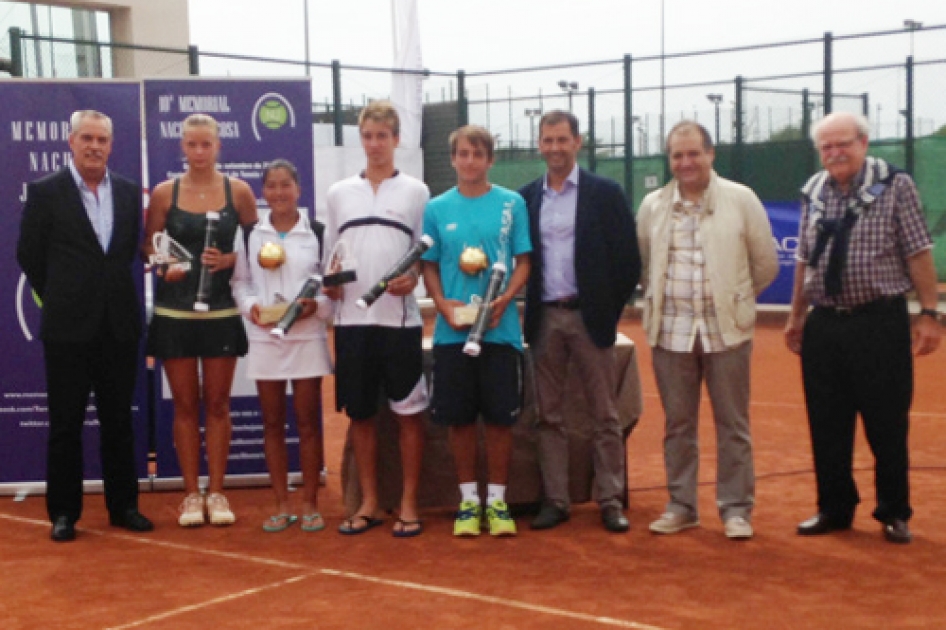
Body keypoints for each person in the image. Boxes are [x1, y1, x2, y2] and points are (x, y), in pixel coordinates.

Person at [785, 111, 941, 544]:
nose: (834, 153)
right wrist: (797, 317)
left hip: (879, 322)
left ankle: (894, 511)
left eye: (843, 144)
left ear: (864, 143)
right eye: (826, 147)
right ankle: (833, 508)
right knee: (827, 423)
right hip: (825, 325)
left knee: (886, 423)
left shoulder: (895, 185)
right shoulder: (813, 190)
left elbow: (918, 251)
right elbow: (804, 258)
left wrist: (930, 314)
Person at [17, 109, 153, 542]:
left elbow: (129, 253)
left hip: (119, 324)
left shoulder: (131, 194)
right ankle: (63, 513)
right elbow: (29, 255)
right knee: (65, 423)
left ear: (111, 146)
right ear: (70, 142)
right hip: (68, 327)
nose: (95, 146)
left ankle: (124, 506)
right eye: (87, 138)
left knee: (119, 421)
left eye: (102, 139)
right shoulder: (45, 192)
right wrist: (62, 294)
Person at [637, 120, 778, 540]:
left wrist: (734, 298)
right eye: (677, 155)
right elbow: (646, 264)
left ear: (710, 154)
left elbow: (765, 263)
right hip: (670, 333)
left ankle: (736, 509)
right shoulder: (651, 206)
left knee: (732, 424)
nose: (685, 163)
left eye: (693, 153)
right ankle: (682, 505)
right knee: (678, 426)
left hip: (727, 332)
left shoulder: (741, 199)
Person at [519, 110, 640, 533]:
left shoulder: (605, 193)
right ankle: (556, 500)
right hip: (544, 319)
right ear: (539, 144)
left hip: (591, 319)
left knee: (604, 414)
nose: (555, 148)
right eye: (547, 140)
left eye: (562, 140)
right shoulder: (526, 197)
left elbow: (628, 260)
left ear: (577, 142)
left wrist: (607, 307)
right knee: (547, 416)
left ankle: (610, 499)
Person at [142, 113, 258, 527]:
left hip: (222, 312)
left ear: (218, 146)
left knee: (218, 404)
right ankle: (192, 494)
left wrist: (230, 259)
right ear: (182, 147)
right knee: (186, 406)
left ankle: (219, 492)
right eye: (191, 145)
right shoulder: (163, 193)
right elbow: (148, 249)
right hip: (175, 313)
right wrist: (163, 265)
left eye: (206, 144)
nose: (199, 152)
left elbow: (261, 247)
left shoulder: (239, 191)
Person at [323, 100, 429, 537]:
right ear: (360, 139)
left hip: (400, 324)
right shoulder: (339, 193)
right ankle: (368, 501)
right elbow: (332, 253)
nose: (374, 144)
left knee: (408, 416)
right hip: (352, 324)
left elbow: (426, 256)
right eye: (368, 136)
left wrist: (413, 278)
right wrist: (330, 283)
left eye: (382, 136)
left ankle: (407, 502)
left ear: (396, 140)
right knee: (362, 416)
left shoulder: (416, 192)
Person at [422, 125, 532, 537]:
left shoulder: (512, 203)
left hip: (500, 331)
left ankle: (497, 502)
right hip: (453, 333)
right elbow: (428, 264)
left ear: (490, 159)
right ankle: (469, 502)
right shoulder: (436, 207)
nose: (470, 161)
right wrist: (441, 303)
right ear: (453, 159)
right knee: (461, 421)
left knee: (501, 421)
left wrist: (507, 300)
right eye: (463, 154)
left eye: (477, 154)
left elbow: (523, 261)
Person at [231, 159, 332, 533]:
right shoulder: (248, 234)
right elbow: (240, 284)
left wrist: (315, 307)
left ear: (298, 189)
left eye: (285, 185)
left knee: (307, 422)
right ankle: (281, 503)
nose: (278, 193)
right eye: (271, 186)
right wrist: (251, 308)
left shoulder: (318, 232)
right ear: (263, 192)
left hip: (306, 338)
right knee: (272, 422)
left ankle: (309, 503)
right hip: (265, 338)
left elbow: (329, 290)